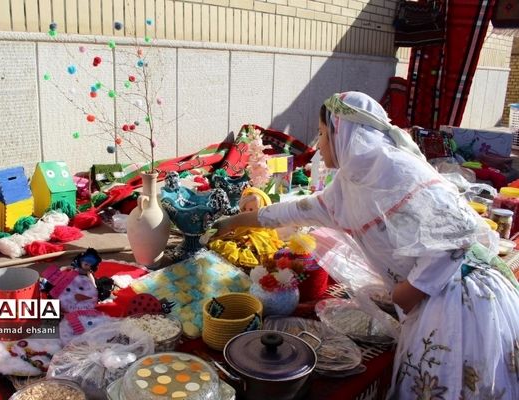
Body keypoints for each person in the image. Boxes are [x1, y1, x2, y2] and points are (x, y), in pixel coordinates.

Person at [213, 91, 519, 399]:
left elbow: (458, 237)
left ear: (344, 131)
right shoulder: (350, 186)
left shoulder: (398, 170)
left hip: (460, 299)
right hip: (430, 298)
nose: (318, 144)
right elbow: (296, 210)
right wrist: (233, 223)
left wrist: (408, 291)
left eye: (322, 133)